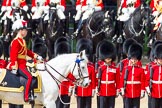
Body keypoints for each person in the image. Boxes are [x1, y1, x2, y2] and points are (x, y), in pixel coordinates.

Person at [6, 19, 43, 102]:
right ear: (20, 30)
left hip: (24, 64)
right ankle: (27, 96)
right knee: (29, 77)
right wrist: (14, 66)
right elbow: (13, 56)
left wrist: (36, 56)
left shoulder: (22, 40)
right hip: (19, 65)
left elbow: (27, 52)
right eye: (25, 30)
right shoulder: (15, 41)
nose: (26, 32)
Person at [120, 43, 145, 108]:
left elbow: (142, 81)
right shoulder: (126, 69)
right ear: (130, 59)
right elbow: (122, 80)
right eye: (132, 59)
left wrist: (142, 91)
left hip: (136, 93)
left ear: (138, 60)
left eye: (135, 60)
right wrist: (122, 90)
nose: (133, 61)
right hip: (127, 92)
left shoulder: (141, 70)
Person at [96, 40, 120, 108]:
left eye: (109, 58)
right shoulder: (100, 68)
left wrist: (117, 90)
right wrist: (96, 89)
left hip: (111, 91)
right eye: (106, 58)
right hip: (102, 91)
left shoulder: (115, 69)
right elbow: (97, 79)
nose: (108, 59)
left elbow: (117, 80)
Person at [75, 38, 96, 108]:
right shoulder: (77, 66)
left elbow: (93, 79)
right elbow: (75, 78)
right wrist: (75, 89)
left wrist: (93, 89)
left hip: (88, 91)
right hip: (80, 91)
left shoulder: (91, 67)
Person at [54, 38, 74, 108]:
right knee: (58, 106)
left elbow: (71, 78)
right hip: (58, 90)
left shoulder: (68, 65)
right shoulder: (56, 65)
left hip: (66, 90)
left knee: (66, 106)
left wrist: (70, 89)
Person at [145, 43, 162, 108]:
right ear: (157, 59)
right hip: (154, 92)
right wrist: (148, 90)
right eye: (160, 59)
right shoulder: (152, 68)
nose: (161, 61)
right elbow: (147, 80)